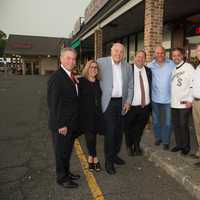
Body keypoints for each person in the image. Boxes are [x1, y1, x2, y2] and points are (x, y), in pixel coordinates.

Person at [97, 43, 134, 175]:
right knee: (111, 132)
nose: (118, 54)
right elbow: (90, 72)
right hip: (108, 103)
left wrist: (128, 101)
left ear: (123, 53)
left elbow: (130, 85)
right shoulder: (101, 62)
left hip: (122, 103)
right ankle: (108, 160)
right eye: (116, 51)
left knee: (119, 132)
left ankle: (115, 155)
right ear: (111, 51)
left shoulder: (128, 66)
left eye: (121, 52)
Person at [47, 48, 80, 189]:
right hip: (62, 125)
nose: (71, 61)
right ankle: (62, 178)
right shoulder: (56, 78)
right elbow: (53, 104)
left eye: (73, 59)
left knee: (66, 151)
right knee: (61, 152)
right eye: (68, 58)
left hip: (70, 123)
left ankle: (67, 172)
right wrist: (61, 125)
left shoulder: (70, 75)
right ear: (61, 59)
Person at [124, 50, 152, 156]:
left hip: (145, 106)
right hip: (131, 106)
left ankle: (136, 145)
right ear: (134, 57)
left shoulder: (148, 71)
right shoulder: (128, 69)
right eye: (138, 57)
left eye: (142, 57)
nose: (140, 59)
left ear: (145, 59)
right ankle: (129, 146)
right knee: (129, 127)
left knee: (140, 128)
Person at [148, 46, 175, 150]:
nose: (160, 55)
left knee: (168, 122)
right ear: (155, 54)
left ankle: (166, 141)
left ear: (165, 53)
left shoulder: (171, 64)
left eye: (162, 53)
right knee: (156, 121)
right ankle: (158, 137)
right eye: (158, 53)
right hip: (155, 98)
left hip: (168, 99)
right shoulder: (150, 65)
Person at [78, 60, 103, 172]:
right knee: (90, 138)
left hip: (97, 116)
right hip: (85, 116)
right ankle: (94, 158)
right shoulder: (81, 82)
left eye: (95, 67)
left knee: (93, 138)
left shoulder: (99, 82)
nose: (93, 69)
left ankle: (91, 157)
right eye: (91, 67)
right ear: (87, 69)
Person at [171, 48, 194, 155]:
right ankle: (179, 144)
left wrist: (190, 100)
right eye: (174, 55)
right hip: (174, 103)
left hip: (184, 102)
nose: (176, 57)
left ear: (182, 56)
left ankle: (186, 146)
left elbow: (193, 84)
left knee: (183, 125)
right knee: (176, 125)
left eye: (178, 55)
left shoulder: (188, 67)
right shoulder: (173, 69)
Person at [192, 44, 200, 166]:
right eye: (197, 50)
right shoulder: (198, 67)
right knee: (198, 129)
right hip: (196, 101)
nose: (198, 52)